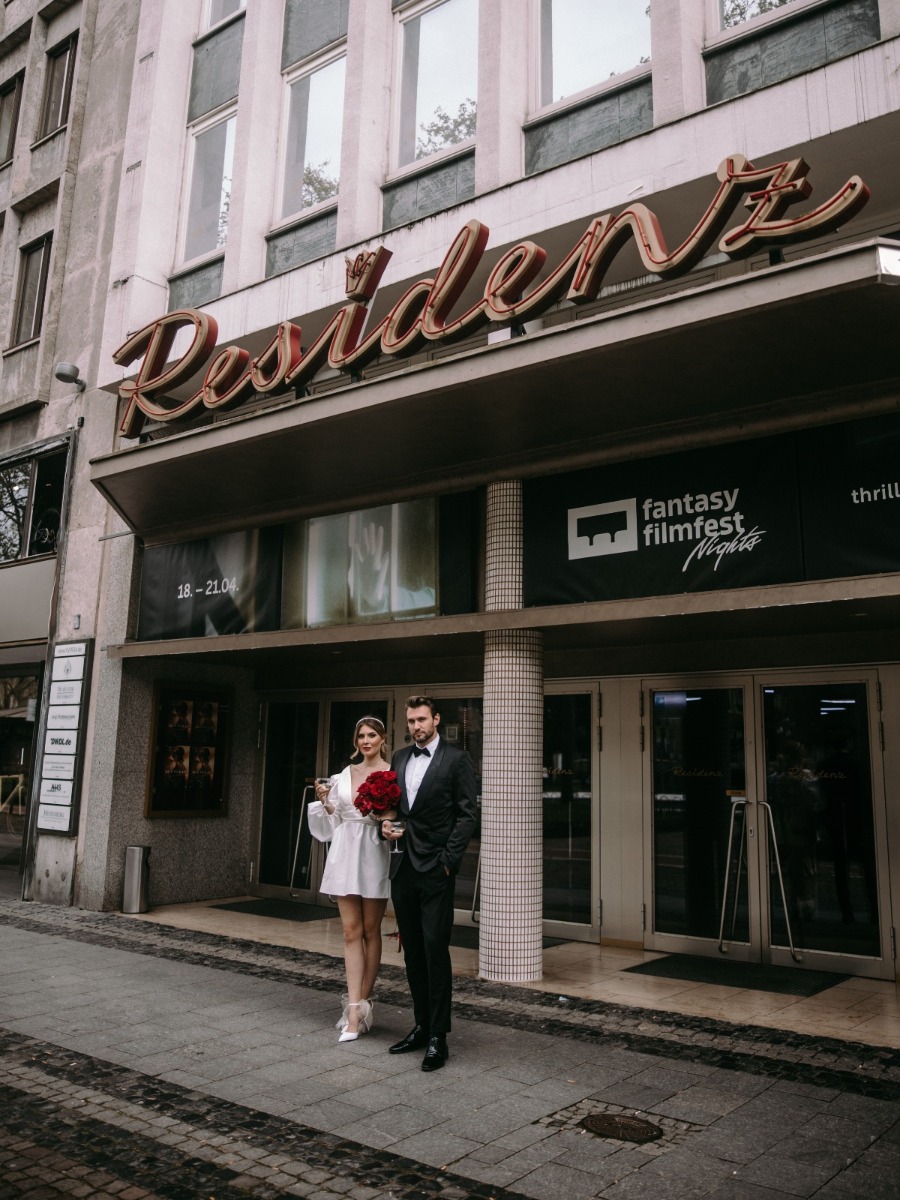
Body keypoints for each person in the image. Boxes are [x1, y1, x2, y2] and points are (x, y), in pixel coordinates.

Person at [382, 696, 477, 1071]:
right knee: (413, 954)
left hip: (436, 870)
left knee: (436, 951)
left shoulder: (457, 760)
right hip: (402, 867)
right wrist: (384, 828)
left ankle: (439, 1036)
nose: (416, 726)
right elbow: (394, 810)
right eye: (411, 721)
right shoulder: (401, 758)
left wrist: (448, 863)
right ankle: (421, 1026)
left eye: (422, 719)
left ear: (436, 719)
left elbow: (467, 814)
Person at [312, 716, 393, 1042]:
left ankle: (362, 1003)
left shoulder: (391, 773)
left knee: (372, 931)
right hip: (345, 851)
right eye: (361, 735)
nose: (366, 740)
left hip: (373, 851)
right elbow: (333, 820)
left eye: (372, 735)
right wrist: (326, 803)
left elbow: (394, 816)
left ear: (382, 738)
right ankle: (354, 1008)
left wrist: (384, 816)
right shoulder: (342, 775)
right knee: (350, 931)